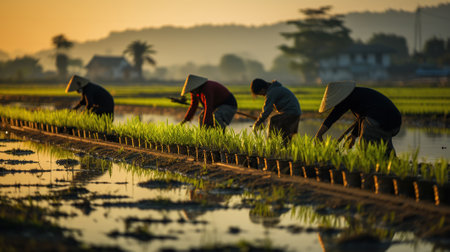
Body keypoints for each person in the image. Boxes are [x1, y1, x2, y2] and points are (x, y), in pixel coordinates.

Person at [315, 81, 401, 156]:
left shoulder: (348, 98)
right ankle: (394, 165)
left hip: (381, 120)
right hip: (394, 122)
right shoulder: (358, 94)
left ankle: (369, 170)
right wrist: (353, 135)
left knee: (365, 146)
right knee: (384, 149)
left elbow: (333, 116)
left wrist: (318, 135)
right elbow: (362, 117)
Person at [251, 78, 302, 143]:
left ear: (262, 89)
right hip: (295, 113)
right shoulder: (275, 89)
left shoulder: (272, 92)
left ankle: (271, 145)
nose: (262, 95)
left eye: (260, 93)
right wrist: (263, 121)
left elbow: (267, 110)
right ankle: (285, 151)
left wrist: (258, 123)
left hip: (291, 113)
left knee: (273, 120)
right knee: (286, 136)